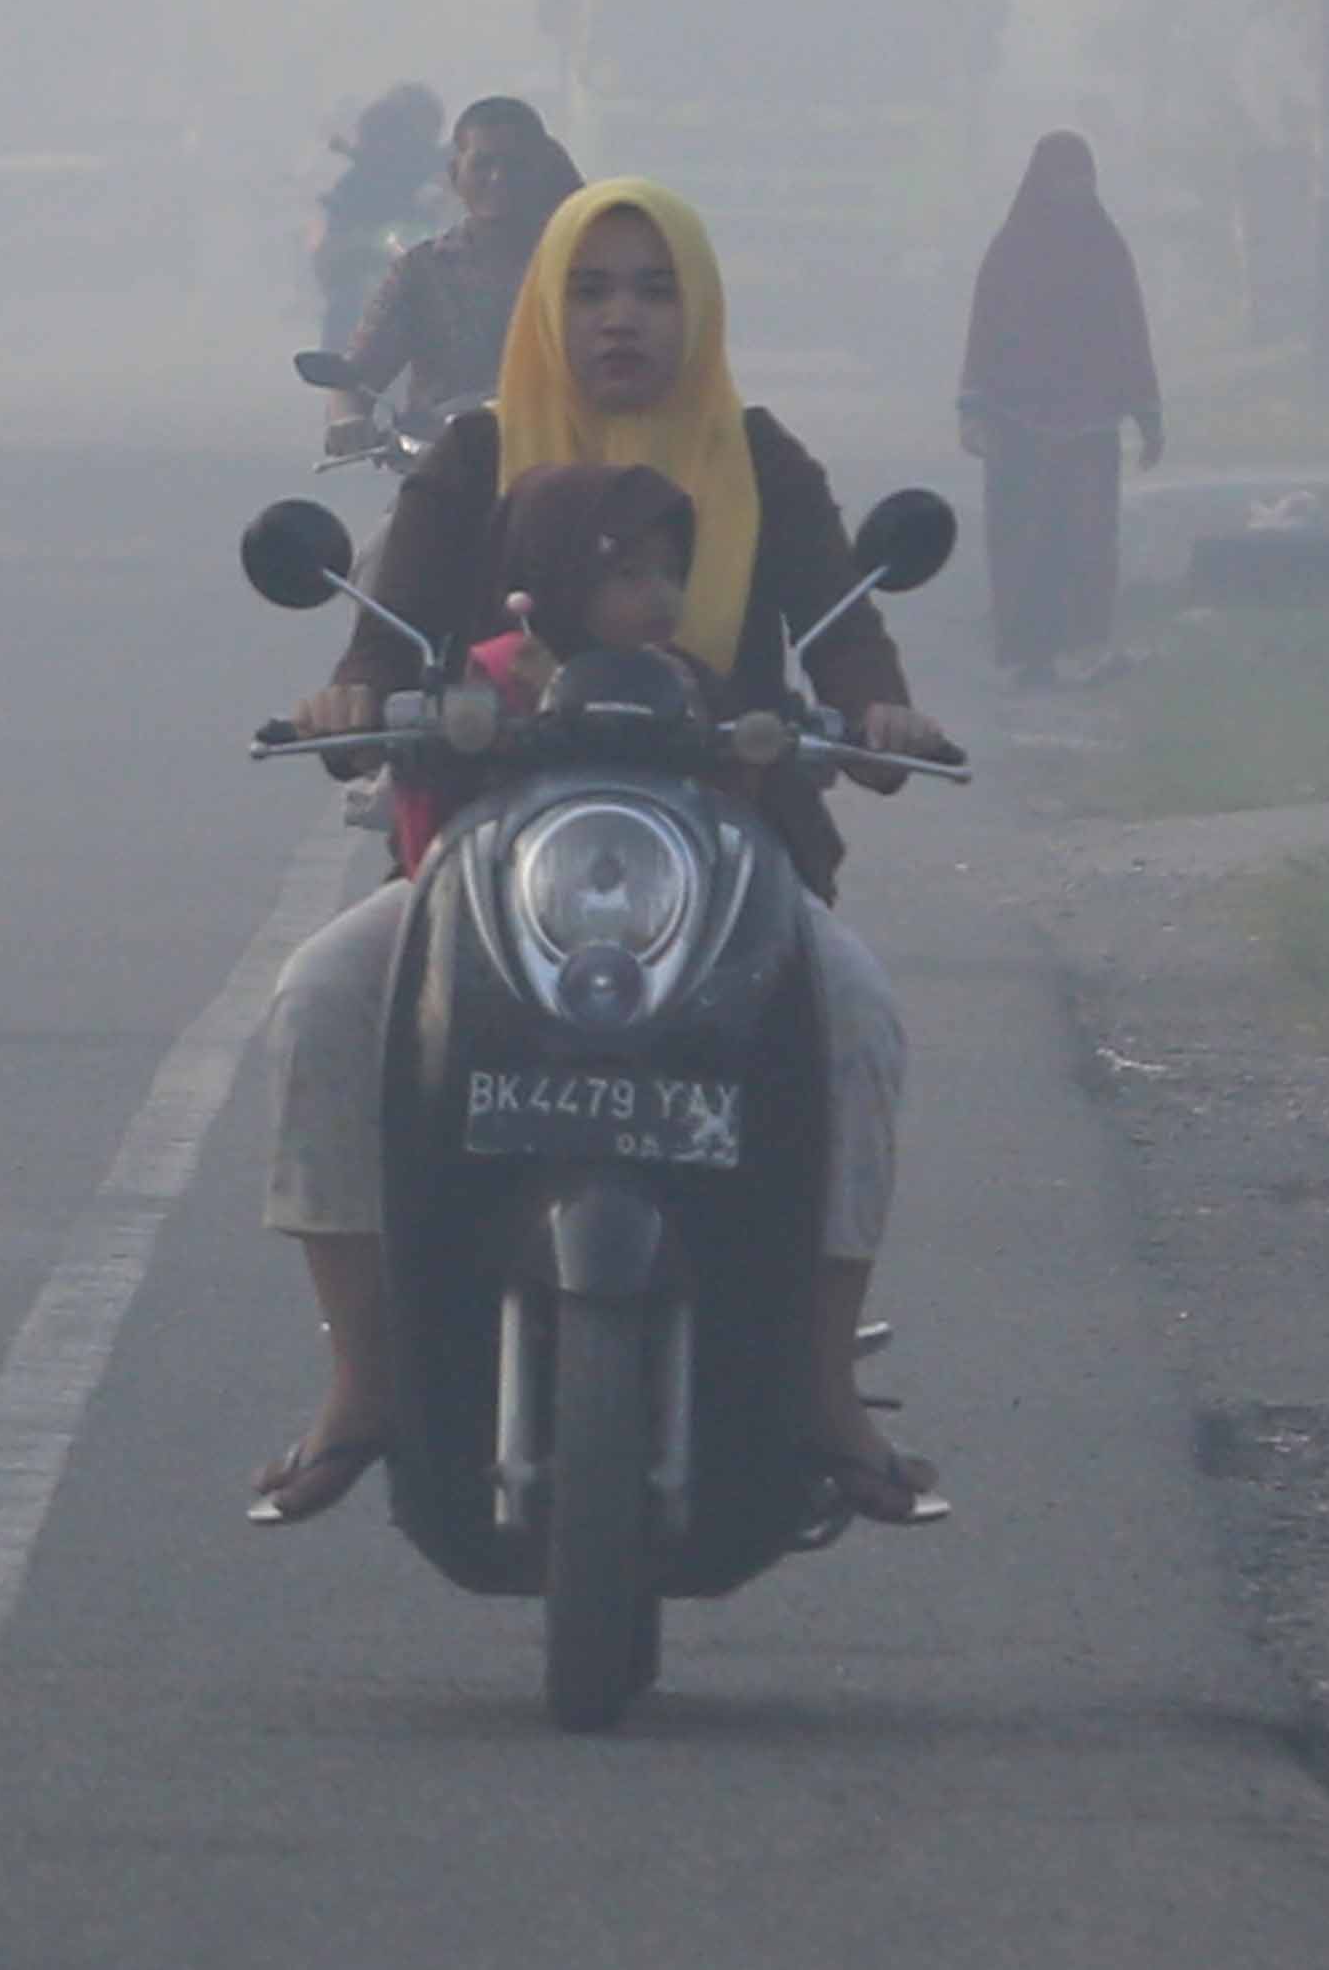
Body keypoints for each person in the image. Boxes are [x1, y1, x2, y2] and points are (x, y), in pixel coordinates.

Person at [244, 179, 963, 1532]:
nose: (622, 317)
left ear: (695, 306)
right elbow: (383, 635)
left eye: (651, 288)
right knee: (322, 1002)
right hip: (489, 872)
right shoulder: (476, 454)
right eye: (590, 289)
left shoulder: (760, 462)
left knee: (859, 1018)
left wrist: (878, 708)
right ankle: (368, 1377)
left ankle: (821, 1385)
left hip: (730, 873)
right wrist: (346, 701)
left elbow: (845, 627)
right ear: (544, 307)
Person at [383, 459, 704, 878]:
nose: (662, 596)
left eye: (672, 573)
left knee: (810, 929)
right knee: (343, 947)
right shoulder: (503, 666)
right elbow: (456, 765)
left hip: (661, 874)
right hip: (504, 876)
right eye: (630, 574)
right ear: (559, 572)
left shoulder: (675, 674)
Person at [957, 130, 1163, 685]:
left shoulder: (1106, 248)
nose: (1075, 187)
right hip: (1016, 424)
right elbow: (985, 333)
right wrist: (973, 411)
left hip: (1090, 426)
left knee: (1090, 540)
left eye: (1082, 175)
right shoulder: (1010, 250)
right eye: (1064, 176)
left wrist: (1148, 412)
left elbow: (1129, 330)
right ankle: (1031, 655)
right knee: (1025, 541)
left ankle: (1087, 645)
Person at [320, 97, 584, 442]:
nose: (498, 178)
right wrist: (348, 421)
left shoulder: (583, 267)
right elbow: (362, 372)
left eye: (515, 165)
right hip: (442, 467)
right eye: (483, 164)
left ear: (540, 171)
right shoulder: (422, 271)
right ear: (455, 174)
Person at [307, 82, 447, 352]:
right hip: (368, 281)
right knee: (345, 307)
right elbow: (332, 248)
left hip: (439, 291)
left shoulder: (446, 173)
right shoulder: (354, 183)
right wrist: (350, 250)